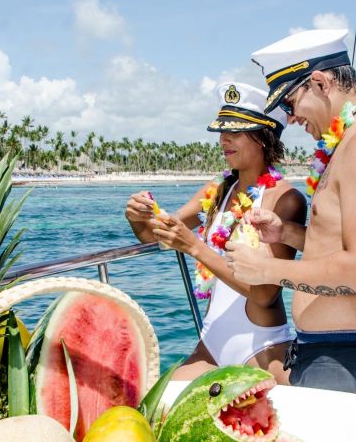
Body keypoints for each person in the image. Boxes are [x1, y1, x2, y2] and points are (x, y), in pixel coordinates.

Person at [224, 29, 356, 403]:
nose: (291, 118)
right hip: (330, 353)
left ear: (319, 82)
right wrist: (288, 234)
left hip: (349, 362)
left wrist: (265, 271)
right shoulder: (352, 140)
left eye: (290, 103)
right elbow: (343, 242)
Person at [124, 82, 306, 382]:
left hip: (262, 347)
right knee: (159, 409)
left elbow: (264, 293)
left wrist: (195, 247)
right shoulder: (217, 190)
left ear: (263, 136)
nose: (224, 140)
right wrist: (137, 216)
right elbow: (155, 236)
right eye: (222, 132)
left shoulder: (285, 199)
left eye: (234, 132)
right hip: (210, 344)